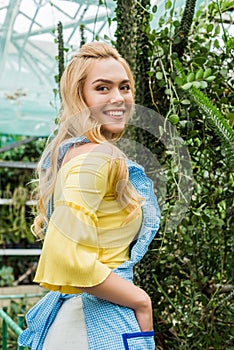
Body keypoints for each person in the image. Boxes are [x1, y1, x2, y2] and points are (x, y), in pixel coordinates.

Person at [18, 42, 160, 350]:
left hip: (83, 320)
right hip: (94, 328)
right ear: (79, 97)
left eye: (125, 87)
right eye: (102, 88)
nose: (118, 98)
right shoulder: (97, 157)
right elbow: (67, 254)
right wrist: (141, 301)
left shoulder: (80, 153)